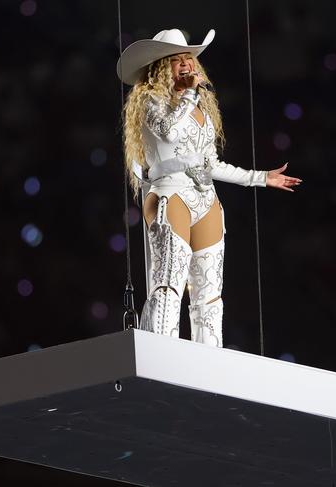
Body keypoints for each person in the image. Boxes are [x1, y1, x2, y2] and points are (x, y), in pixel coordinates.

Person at [117, 28, 300, 347]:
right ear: (162, 67)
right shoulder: (149, 101)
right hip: (169, 193)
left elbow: (211, 164)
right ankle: (162, 357)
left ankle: (207, 365)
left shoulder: (202, 110)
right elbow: (169, 133)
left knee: (209, 294)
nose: (187, 64)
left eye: (189, 57)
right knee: (168, 285)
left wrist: (261, 178)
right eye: (177, 60)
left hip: (205, 198)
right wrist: (188, 95)